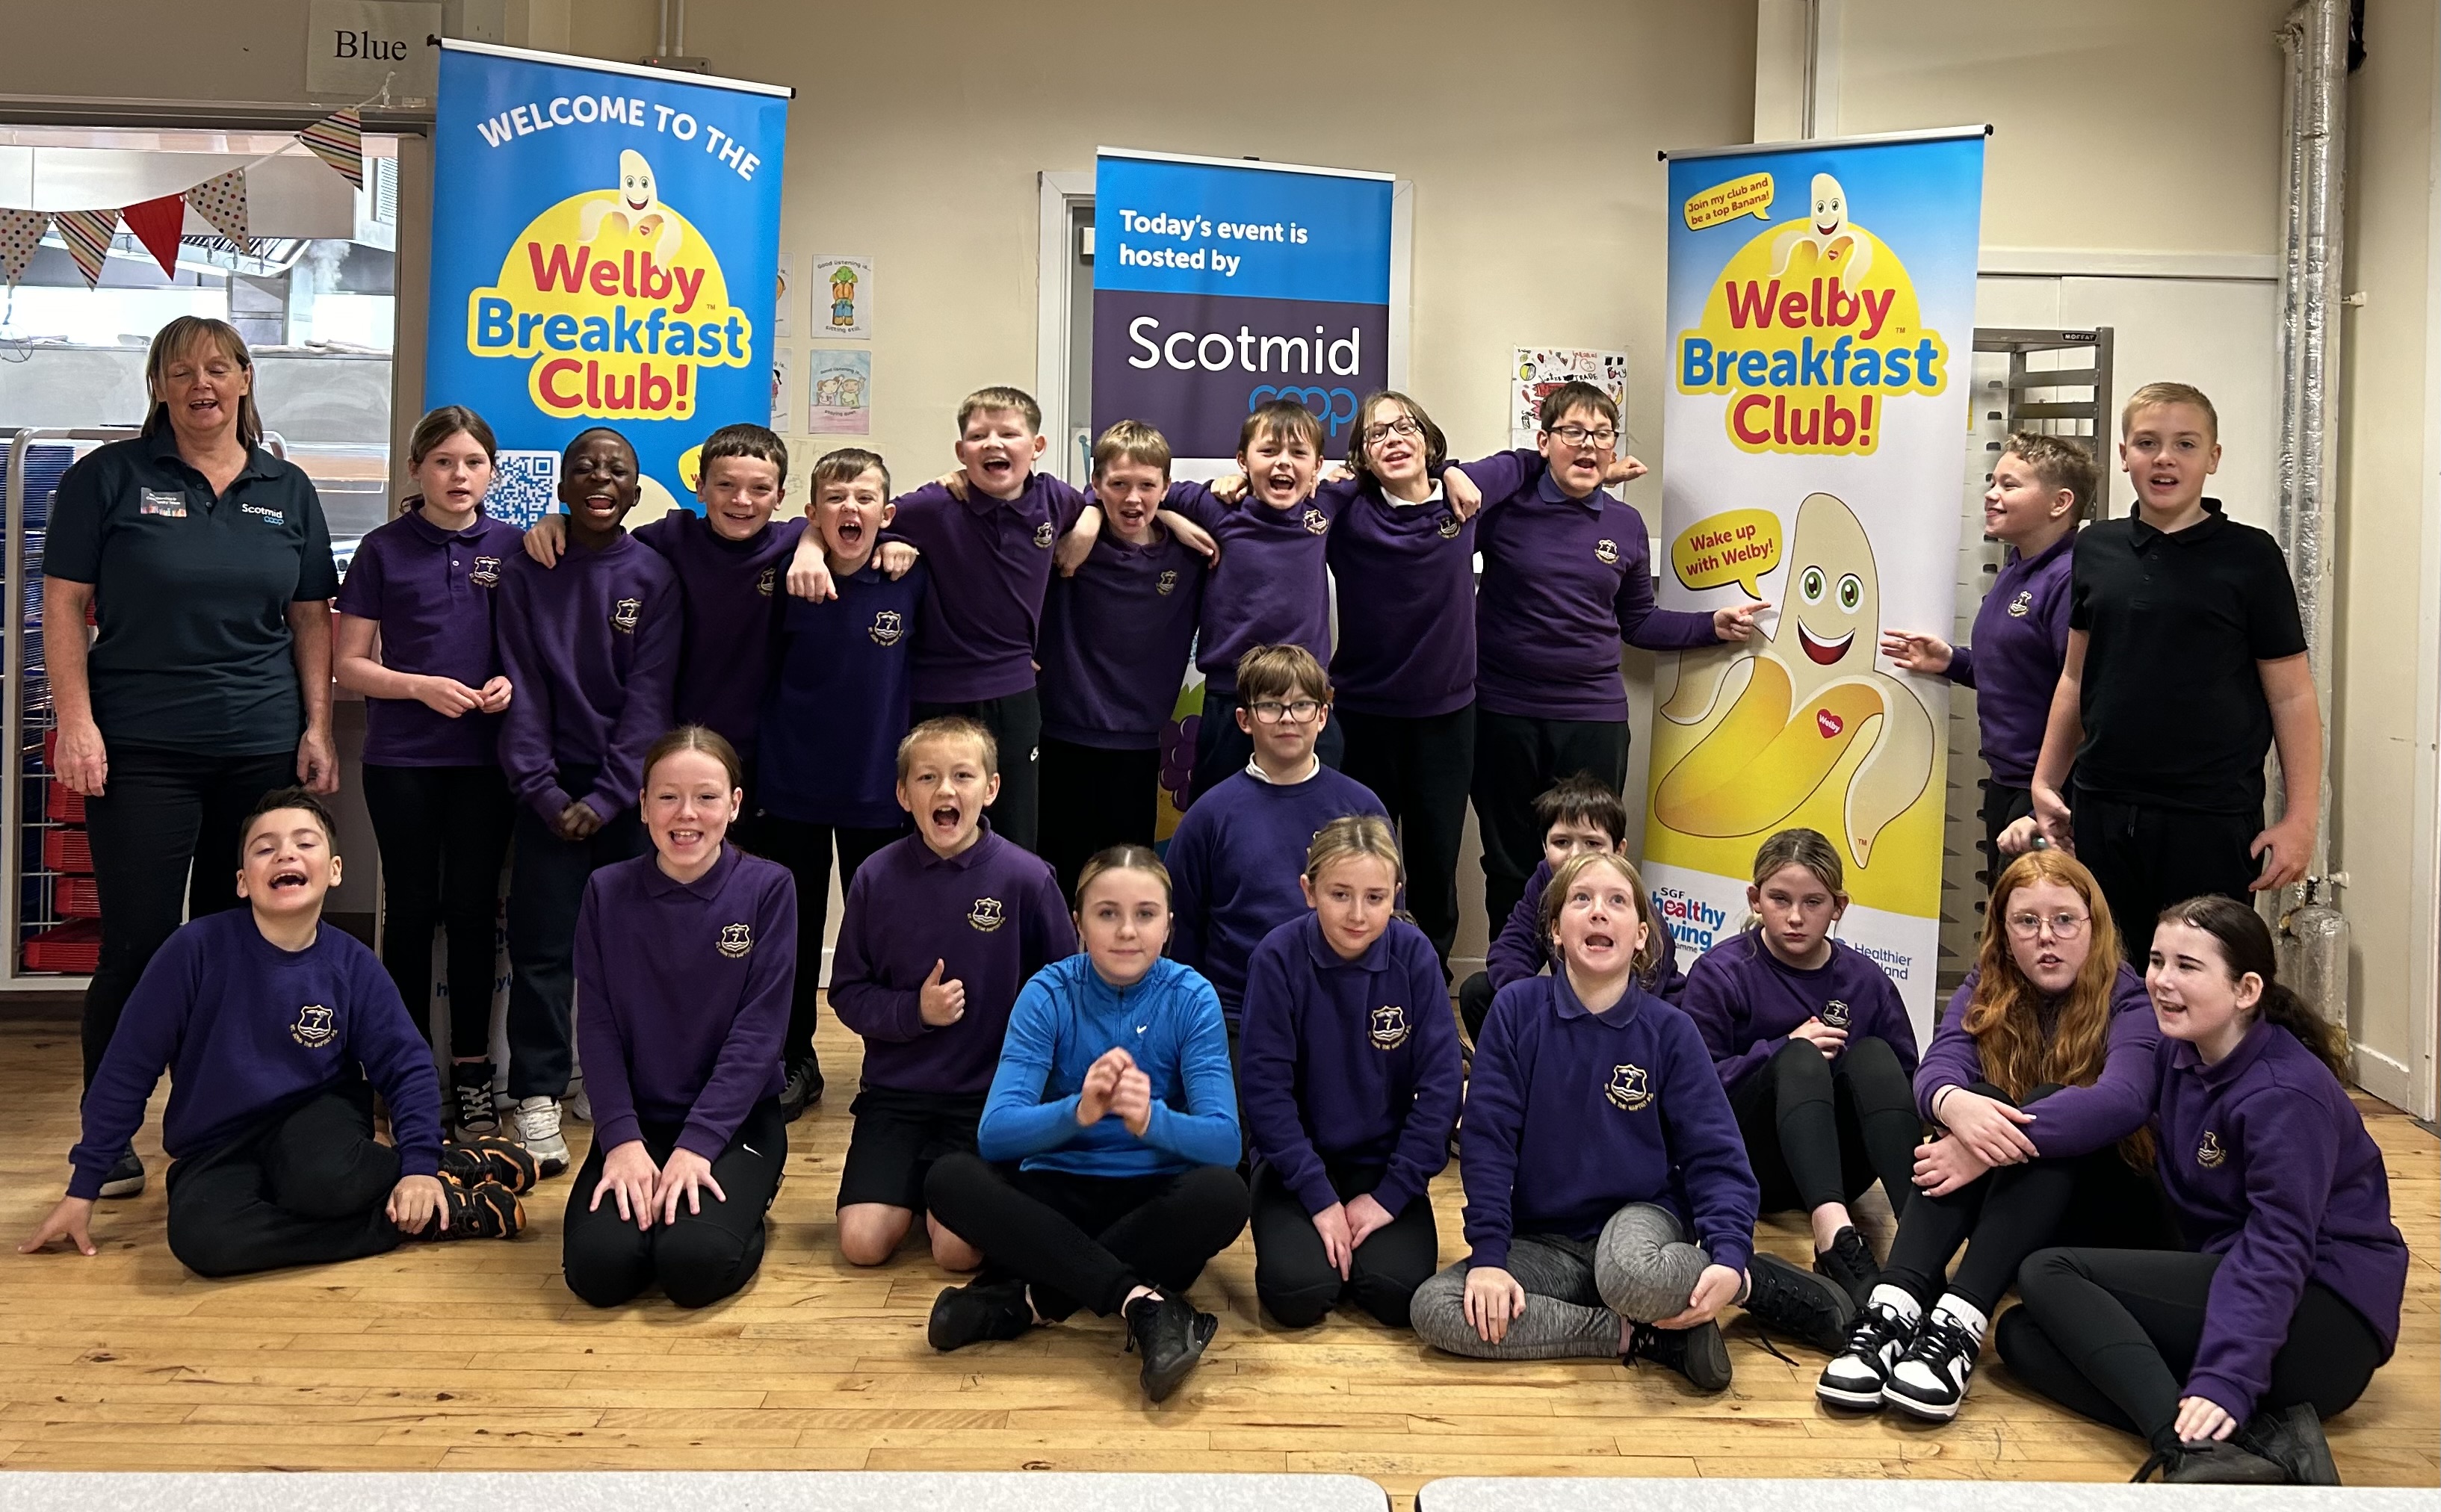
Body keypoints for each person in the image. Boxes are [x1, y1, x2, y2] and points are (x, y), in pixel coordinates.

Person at [43, 316, 342, 1198]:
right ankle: (108, 1129)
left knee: (243, 937)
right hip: (141, 746)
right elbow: (62, 606)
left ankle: (221, 1113)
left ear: (246, 379)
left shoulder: (287, 488)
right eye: (180, 371)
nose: (200, 385)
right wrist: (76, 723)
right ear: (158, 386)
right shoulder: (108, 478)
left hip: (258, 746)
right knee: (138, 942)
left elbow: (310, 618)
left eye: (217, 368)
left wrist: (317, 727)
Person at [18, 789, 533, 1276]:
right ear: (243, 881)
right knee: (202, 1242)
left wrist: (418, 1162)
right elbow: (127, 1068)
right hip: (216, 1140)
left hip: (317, 1120)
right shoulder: (192, 951)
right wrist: (83, 1187)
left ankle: (431, 1173)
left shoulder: (352, 964)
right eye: (265, 849)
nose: (286, 854)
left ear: (334, 870)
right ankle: (429, 1211)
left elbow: (408, 1067)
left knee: (327, 1184)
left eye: (305, 843)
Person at [1998, 896, 2407, 1485]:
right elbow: (2107, 1107)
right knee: (2022, 1337)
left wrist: (2227, 1379)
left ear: (2246, 990)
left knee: (2048, 1273)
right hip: (2226, 1267)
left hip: (2319, 1320)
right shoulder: (2180, 1049)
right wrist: (1976, 1131)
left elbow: (2276, 1250)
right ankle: (2233, 1441)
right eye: (2157, 961)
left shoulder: (2284, 1094)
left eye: (2186, 966)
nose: (2161, 981)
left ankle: (2193, 1450)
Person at [1409, 852, 1852, 1386]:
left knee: (1627, 1273)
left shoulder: (1670, 1031)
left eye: (1616, 901)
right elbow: (1487, 1144)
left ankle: (1749, 1284)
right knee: (1437, 1306)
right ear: (1555, 930)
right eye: (1581, 899)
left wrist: (1730, 1255)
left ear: (1642, 935)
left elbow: (1716, 1158)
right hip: (1543, 1242)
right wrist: (1487, 1257)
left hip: (1640, 1226)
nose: (1598, 911)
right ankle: (1643, 1335)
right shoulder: (1515, 1011)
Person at [1817, 850, 2165, 1421]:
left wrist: (1984, 1148)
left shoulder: (2129, 997)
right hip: (2024, 1208)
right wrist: (1955, 1106)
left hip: (2116, 1217)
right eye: (2026, 922)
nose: (2045, 937)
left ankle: (1958, 1324)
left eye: (2064, 920)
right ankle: (1892, 1309)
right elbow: (1938, 1067)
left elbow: (2123, 1100)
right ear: (2003, 934)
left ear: (2094, 926)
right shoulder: (1988, 984)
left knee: (2044, 1103)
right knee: (1978, 1099)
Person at [922, 845, 1246, 1403]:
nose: (1127, 931)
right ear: (1078, 923)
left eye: (1145, 914)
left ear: (1169, 925)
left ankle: (1029, 1301)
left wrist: (1152, 1120)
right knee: (948, 1178)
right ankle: (1144, 1302)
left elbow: (1225, 1143)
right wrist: (1078, 1112)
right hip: (1055, 1196)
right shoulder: (1047, 992)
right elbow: (994, 1134)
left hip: (1152, 1204)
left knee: (1225, 1193)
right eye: (1107, 913)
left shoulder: (1192, 996)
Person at [2029, 383, 2321, 963]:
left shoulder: (2251, 558)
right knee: (2107, 977)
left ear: (2212, 457)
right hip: (2102, 806)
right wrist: (2044, 781)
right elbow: (2074, 678)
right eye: (2147, 443)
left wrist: (2300, 818)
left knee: (2199, 974)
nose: (2164, 458)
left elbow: (2291, 697)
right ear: (2123, 455)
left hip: (2208, 815)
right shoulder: (2095, 548)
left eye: (2185, 444)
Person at [1460, 380, 1765, 934]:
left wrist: (1709, 626)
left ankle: (1583, 972)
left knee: (1591, 860)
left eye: (1602, 434)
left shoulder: (1625, 525)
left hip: (1592, 717)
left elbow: (1638, 622)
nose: (1589, 444)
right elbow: (1442, 521)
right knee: (1509, 860)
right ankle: (1515, 977)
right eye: (1573, 432)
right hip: (1503, 711)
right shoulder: (1505, 509)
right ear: (1544, 442)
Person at [791, 387, 1094, 854]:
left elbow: (1100, 499)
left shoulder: (1055, 499)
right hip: (934, 696)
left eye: (1009, 434)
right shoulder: (934, 505)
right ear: (960, 451)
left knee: (1013, 834)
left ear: (1037, 446)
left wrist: (1088, 525)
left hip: (1013, 693)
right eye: (979, 436)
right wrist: (812, 549)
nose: (993, 443)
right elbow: (853, 519)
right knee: (930, 836)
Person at [495, 427, 680, 1175]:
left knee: (630, 947)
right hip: (544, 786)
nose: (600, 478)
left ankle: (614, 1088)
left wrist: (607, 798)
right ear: (562, 487)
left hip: (628, 791)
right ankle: (537, 1092)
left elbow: (650, 699)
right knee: (543, 947)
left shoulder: (655, 575)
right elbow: (521, 686)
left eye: (617, 470)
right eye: (584, 467)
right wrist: (544, 792)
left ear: (635, 492)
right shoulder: (525, 569)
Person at [334, 405, 522, 1140]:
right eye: (443, 461)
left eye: (472, 462)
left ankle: (472, 1072)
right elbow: (349, 665)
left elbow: (534, 650)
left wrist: (510, 684)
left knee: (473, 913)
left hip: (485, 762)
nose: (458, 475)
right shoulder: (382, 549)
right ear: (417, 469)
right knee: (410, 914)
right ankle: (405, 1072)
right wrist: (417, 686)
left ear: (492, 473)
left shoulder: (514, 546)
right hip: (402, 761)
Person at [828, 717, 1076, 1268]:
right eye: (927, 778)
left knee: (958, 1254)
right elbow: (846, 992)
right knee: (862, 1245)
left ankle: (942, 1191)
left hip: (987, 1099)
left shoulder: (1027, 878)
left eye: (962, 776)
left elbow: (1067, 993)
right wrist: (913, 1011)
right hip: (896, 1096)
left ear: (991, 788)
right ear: (903, 794)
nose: (945, 790)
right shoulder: (874, 877)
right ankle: (914, 1185)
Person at [562, 728, 795, 1310]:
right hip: (640, 1123)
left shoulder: (769, 889)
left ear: (734, 805)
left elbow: (759, 1036)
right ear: (643, 806)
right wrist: (620, 1141)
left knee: (692, 1267)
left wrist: (697, 1146)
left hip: (733, 1124)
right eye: (668, 797)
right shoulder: (606, 891)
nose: (686, 814)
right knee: (599, 1272)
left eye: (706, 797)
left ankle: (748, 1198)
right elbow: (596, 1027)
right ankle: (662, 1212)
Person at [1679, 828, 1921, 1307]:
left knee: (1875, 1055)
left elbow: (1907, 1083)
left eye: (1813, 902)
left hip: (1844, 1167)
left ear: (1838, 907)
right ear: (1755, 899)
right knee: (1799, 1057)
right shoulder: (1722, 971)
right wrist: (1780, 1048)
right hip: (1754, 1163)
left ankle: (1919, 1239)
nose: (1795, 917)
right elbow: (1692, 1090)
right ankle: (1834, 1240)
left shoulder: (1866, 980)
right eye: (1779, 899)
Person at [1237, 815, 1461, 1329]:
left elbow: (1442, 1087)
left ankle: (1361, 1250)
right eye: (1340, 895)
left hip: (1383, 1161)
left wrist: (1390, 1196)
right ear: (1309, 891)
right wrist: (1320, 1200)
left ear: (1395, 895)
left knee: (1397, 1294)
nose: (1358, 914)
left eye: (1375, 898)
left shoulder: (1415, 956)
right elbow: (1265, 1094)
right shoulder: (1276, 957)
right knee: (1297, 1294)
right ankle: (1317, 1247)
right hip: (1293, 1164)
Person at [756, 447, 922, 1119]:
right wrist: (803, 546)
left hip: (878, 789)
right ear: (812, 513)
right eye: (834, 499)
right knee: (791, 934)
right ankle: (794, 1059)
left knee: (884, 933)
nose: (849, 509)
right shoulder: (786, 575)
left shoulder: (909, 575)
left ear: (887, 513)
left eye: (864, 499)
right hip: (791, 783)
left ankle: (892, 1063)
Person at [1323, 391, 1495, 972]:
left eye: (1405, 427)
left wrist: (1455, 471)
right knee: (1361, 860)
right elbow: (1286, 495)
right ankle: (1359, 974)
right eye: (1376, 434)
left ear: (1428, 440)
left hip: (1447, 719)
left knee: (1435, 861)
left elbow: (1526, 462)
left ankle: (1428, 980)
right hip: (1363, 716)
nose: (1393, 439)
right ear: (1362, 456)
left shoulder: (1464, 502)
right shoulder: (1349, 511)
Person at [1880, 433, 2095, 879]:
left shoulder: (2069, 579)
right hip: (2008, 785)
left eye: (2010, 486)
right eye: (1992, 483)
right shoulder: (2017, 566)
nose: (1992, 495)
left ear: (2060, 503)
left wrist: (2047, 806)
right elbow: (2025, 673)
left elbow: (2085, 700)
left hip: (2049, 797)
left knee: (2034, 918)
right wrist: (1953, 662)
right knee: (2004, 914)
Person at [1164, 644, 1388, 1032]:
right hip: (1235, 1014)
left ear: (1322, 716)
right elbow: (1180, 927)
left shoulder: (1361, 808)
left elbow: (1387, 915)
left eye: (1301, 705)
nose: (1287, 718)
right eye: (1270, 706)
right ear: (1245, 719)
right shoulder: (1209, 816)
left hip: (1342, 1008)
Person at [1133, 401, 1344, 802]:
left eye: (1299, 453)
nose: (1284, 462)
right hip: (1231, 699)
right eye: (1269, 451)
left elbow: (1397, 471)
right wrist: (1171, 519)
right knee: (1219, 814)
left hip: (1307, 699)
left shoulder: (1325, 506)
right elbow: (1129, 489)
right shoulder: (1219, 507)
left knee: (1317, 821)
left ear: (1317, 466)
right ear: (1243, 461)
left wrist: (1450, 471)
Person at [1036, 420, 1207, 900]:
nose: (1133, 499)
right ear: (1095, 484)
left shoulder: (1188, 554)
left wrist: (1170, 517)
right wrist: (1089, 517)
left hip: (1139, 744)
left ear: (1166, 488)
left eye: (1148, 486)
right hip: (1061, 736)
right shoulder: (1068, 543)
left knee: (1126, 880)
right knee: (1059, 877)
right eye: (1118, 485)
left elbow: (1243, 503)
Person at [1458, 774, 1683, 1044]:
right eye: (1562, 842)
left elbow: (1638, 997)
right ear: (1545, 847)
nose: (1575, 855)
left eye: (1593, 844)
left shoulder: (1634, 905)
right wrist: (1530, 1006)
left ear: (1618, 851)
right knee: (1478, 993)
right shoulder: (1546, 880)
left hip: (1640, 1023)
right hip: (1571, 1003)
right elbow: (1511, 950)